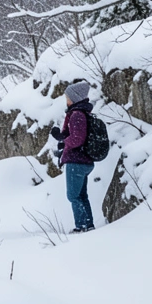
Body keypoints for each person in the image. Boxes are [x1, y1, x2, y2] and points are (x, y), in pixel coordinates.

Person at [51, 81, 96, 233]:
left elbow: (77, 139)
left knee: (73, 196)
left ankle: (81, 227)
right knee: (82, 195)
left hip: (76, 161)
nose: (66, 100)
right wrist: (61, 136)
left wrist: (63, 140)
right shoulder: (82, 113)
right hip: (84, 161)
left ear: (75, 98)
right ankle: (89, 225)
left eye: (68, 97)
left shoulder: (76, 115)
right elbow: (76, 136)